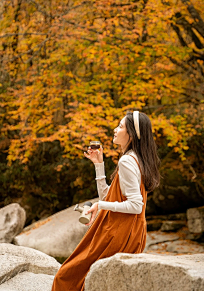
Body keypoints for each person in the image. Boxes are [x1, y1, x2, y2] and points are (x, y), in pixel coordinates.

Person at [51, 111, 160, 291]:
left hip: (117, 232)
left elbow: (136, 205)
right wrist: (98, 165)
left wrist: (99, 206)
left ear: (131, 134)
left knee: (66, 276)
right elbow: (110, 196)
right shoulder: (136, 159)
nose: (115, 130)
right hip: (130, 231)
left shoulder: (127, 161)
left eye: (121, 126)